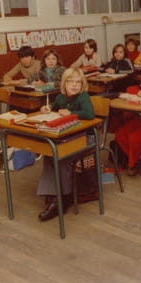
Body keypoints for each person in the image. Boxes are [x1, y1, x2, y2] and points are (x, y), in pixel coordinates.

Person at [36, 67, 95, 222]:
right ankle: (53, 195)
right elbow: (55, 105)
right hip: (68, 137)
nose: (74, 85)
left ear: (82, 85)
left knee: (63, 158)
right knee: (50, 155)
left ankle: (64, 197)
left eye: (78, 82)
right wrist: (48, 108)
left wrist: (72, 113)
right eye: (70, 82)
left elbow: (89, 114)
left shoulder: (83, 97)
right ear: (64, 83)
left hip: (85, 138)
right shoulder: (61, 97)